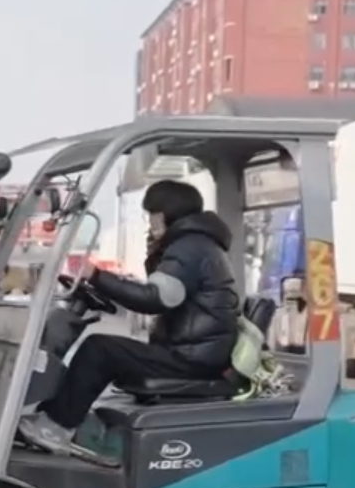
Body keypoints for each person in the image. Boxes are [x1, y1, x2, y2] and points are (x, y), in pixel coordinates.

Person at [20, 180, 241, 449]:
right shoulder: (196, 244)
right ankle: (53, 417)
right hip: (194, 352)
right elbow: (161, 290)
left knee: (99, 349)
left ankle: (57, 426)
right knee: (103, 349)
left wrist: (97, 276)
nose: (150, 221)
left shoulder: (190, 247)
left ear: (166, 212)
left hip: (191, 358)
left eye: (152, 214)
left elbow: (155, 298)